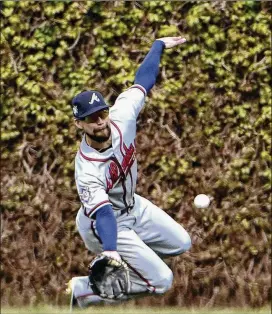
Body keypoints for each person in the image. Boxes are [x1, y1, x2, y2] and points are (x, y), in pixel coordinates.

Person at [68, 36, 192, 309]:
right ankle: (85, 290)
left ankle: (131, 261)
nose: (100, 122)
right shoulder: (87, 170)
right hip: (104, 224)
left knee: (182, 243)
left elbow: (142, 82)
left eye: (102, 113)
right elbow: (102, 214)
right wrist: (111, 251)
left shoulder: (121, 116)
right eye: (91, 118)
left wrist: (158, 45)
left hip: (133, 206)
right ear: (79, 124)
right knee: (162, 281)